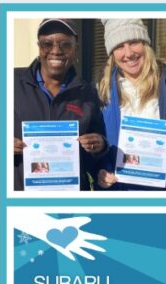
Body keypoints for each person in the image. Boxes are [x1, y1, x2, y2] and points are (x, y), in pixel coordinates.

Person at [13, 19, 107, 191]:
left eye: (65, 45)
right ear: (39, 47)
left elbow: (97, 156)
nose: (56, 51)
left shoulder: (88, 93)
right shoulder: (9, 83)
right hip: (20, 199)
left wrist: (100, 145)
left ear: (75, 50)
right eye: (47, 44)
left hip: (70, 202)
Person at [96, 18, 166, 191]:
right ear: (112, 53)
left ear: (146, 44)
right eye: (119, 46)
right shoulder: (102, 91)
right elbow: (100, 145)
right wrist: (102, 171)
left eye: (134, 42)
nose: (128, 53)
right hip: (125, 195)